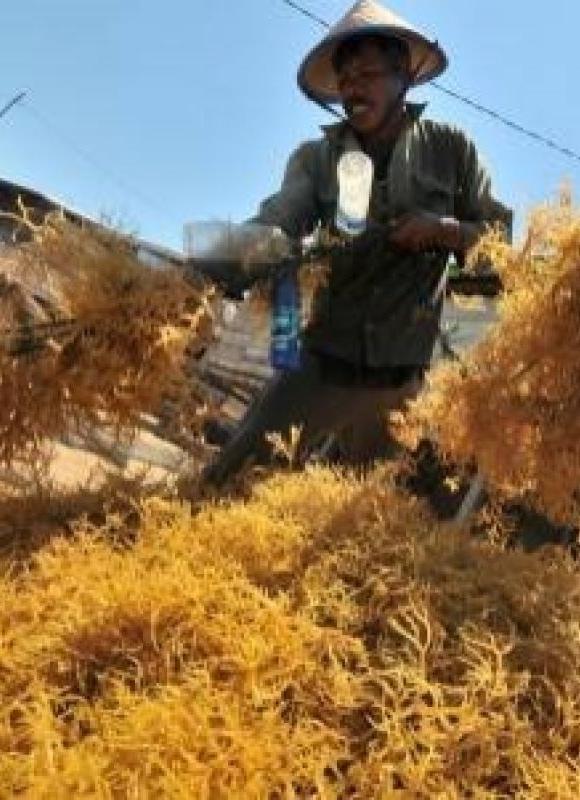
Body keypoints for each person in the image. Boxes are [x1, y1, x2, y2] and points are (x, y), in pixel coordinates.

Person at [203, 0, 511, 486]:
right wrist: (204, 263)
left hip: (400, 381)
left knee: (361, 520)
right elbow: (277, 222)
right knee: (232, 479)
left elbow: (500, 244)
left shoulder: (451, 149)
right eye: (345, 80)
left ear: (403, 77)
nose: (352, 88)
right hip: (324, 362)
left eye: (367, 74)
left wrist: (445, 229)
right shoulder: (317, 159)